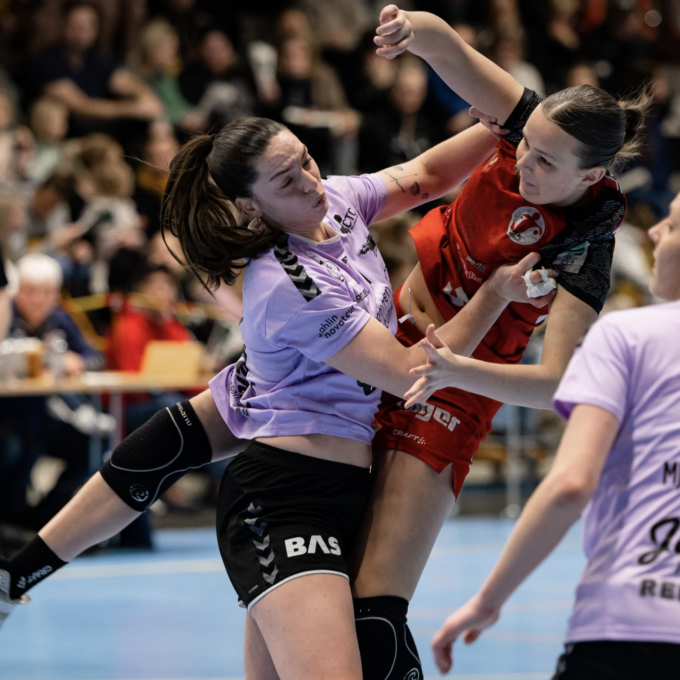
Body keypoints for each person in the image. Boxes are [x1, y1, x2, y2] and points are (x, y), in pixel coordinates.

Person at [0, 115, 552, 680]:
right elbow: (413, 371)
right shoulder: (288, 284)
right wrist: (494, 295)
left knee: (172, 443)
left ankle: (15, 575)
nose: (311, 183)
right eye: (287, 181)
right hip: (283, 499)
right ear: (249, 205)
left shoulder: (337, 202)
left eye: (307, 161)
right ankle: (16, 576)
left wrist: (518, 120)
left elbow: (428, 174)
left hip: (336, 474)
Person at [346, 7, 649, 679]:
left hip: (452, 392)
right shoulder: (530, 125)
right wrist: (412, 29)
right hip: (384, 343)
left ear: (590, 177)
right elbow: (452, 52)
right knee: (317, 579)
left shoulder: (585, 245)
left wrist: (453, 370)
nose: (521, 164)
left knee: (373, 607)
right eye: (522, 146)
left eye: (544, 162)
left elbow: (557, 384)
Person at [428, 196, 680, 679]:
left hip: (630, 623)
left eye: (671, 224)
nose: (654, 232)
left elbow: (571, 485)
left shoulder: (627, 336)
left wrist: (488, 600)